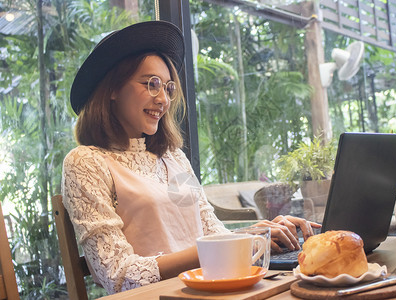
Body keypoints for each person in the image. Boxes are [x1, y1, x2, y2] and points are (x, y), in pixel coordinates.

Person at [62, 21, 320, 294]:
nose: (163, 99)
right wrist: (242, 241)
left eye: (168, 88)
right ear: (112, 88)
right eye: (151, 84)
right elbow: (118, 273)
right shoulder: (87, 162)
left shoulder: (172, 158)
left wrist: (260, 234)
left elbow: (212, 233)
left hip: (210, 290)